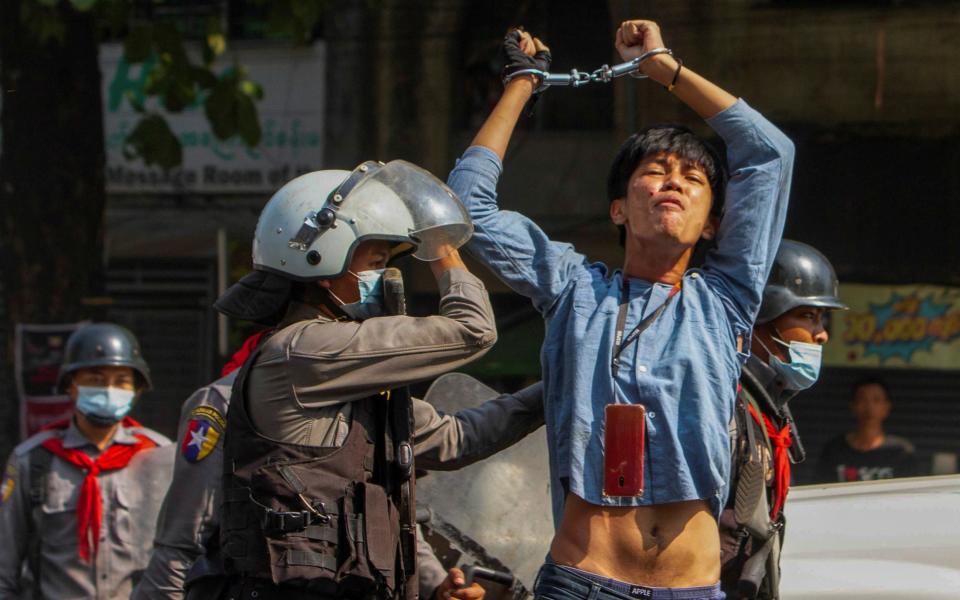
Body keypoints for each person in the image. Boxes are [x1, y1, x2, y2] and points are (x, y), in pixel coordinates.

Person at [447, 20, 794, 600]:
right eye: (654, 172)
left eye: (692, 178)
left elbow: (769, 152)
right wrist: (524, 84)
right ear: (618, 210)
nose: (672, 182)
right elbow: (470, 207)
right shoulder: (573, 287)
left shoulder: (726, 299)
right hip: (584, 583)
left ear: (713, 224)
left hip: (694, 588)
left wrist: (665, 70)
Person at [210, 160, 499, 600]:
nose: (386, 278)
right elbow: (472, 329)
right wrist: (444, 250)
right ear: (322, 260)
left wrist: (562, 385)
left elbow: (455, 438)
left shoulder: (348, 375)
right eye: (377, 261)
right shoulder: (306, 351)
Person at [133, 338, 543, 600]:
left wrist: (436, 586)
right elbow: (181, 546)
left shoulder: (374, 399)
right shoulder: (228, 402)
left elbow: (385, 511)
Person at [0, 323, 172, 599]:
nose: (108, 389)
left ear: (137, 390)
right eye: (95, 379)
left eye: (121, 381)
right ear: (70, 385)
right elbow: (4, 567)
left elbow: (181, 555)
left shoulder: (160, 456)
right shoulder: (33, 460)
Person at [719, 240, 847, 599]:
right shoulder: (724, 404)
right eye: (807, 316)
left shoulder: (767, 406)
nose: (822, 333)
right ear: (763, 315)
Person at [816, 376, 919, 483]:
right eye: (862, 399)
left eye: (876, 400)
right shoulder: (833, 450)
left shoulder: (902, 452)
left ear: (886, 407)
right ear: (853, 406)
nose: (869, 407)